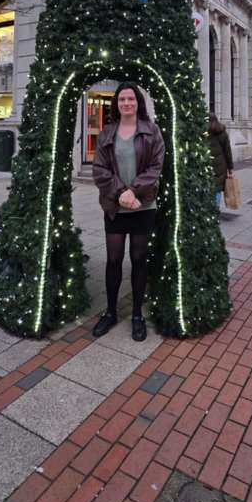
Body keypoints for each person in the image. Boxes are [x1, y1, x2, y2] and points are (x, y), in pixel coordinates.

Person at [92, 82, 165, 342]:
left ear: (138, 102)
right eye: (122, 99)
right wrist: (121, 193)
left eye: (130, 99)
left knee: (138, 259)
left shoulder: (151, 131)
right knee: (113, 260)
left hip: (142, 205)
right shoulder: (107, 132)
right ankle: (110, 312)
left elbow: (156, 166)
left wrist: (133, 192)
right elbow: (99, 169)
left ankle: (136, 315)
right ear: (117, 104)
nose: (126, 103)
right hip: (114, 205)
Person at [208, 112, 233, 212]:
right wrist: (230, 168)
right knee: (217, 189)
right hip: (221, 165)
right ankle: (215, 209)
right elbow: (228, 151)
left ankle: (208, 209)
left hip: (207, 164)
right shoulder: (222, 132)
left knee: (208, 187)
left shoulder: (204, 132)